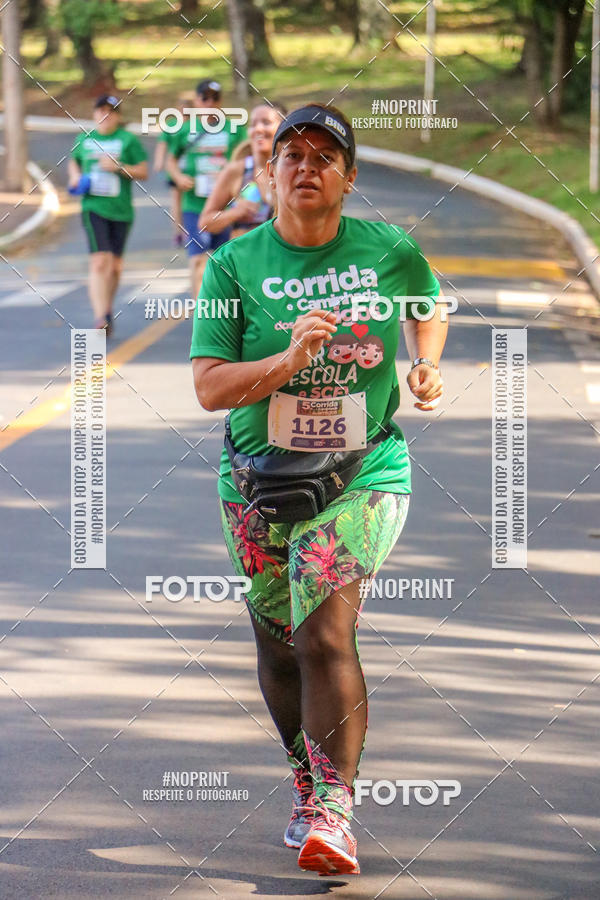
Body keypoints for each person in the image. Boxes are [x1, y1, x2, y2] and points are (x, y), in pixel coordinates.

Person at [190, 104, 447, 876]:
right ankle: (307, 781)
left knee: (324, 633)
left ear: (349, 175)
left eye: (324, 155)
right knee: (277, 641)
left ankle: (334, 812)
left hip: (363, 470)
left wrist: (423, 361)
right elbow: (209, 388)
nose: (306, 166)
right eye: (292, 154)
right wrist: (289, 364)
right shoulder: (233, 267)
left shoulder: (389, 250)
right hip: (257, 481)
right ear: (269, 173)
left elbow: (428, 305)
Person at [68, 95, 148, 334]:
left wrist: (119, 167)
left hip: (121, 211)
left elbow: (143, 171)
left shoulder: (127, 140)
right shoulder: (84, 139)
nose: (105, 115)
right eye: (101, 110)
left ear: (118, 116)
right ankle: (99, 316)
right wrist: (74, 177)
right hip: (94, 208)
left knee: (115, 267)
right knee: (100, 260)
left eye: (111, 111)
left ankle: (107, 308)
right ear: (94, 114)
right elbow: (74, 161)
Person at [166, 79, 247, 300]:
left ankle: (227, 315)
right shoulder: (185, 130)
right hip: (194, 206)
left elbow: (245, 159)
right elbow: (171, 160)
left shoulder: (234, 129)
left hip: (226, 206)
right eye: (205, 98)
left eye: (215, 98)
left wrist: (237, 185)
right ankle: (201, 315)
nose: (210, 103)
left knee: (226, 262)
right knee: (198, 259)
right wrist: (179, 177)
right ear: (197, 101)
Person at [199, 102, 286, 240]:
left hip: (283, 259)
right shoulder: (236, 170)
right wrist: (235, 213)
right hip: (244, 259)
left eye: (266, 122)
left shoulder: (293, 171)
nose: (258, 129)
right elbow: (205, 223)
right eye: (253, 124)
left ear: (283, 129)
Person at [153, 94, 191, 246]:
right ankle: (179, 233)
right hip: (174, 168)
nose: (184, 112)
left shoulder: (198, 125)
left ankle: (192, 231)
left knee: (189, 202)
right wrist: (159, 161)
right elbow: (162, 144)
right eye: (182, 109)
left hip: (191, 169)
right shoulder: (172, 125)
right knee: (176, 201)